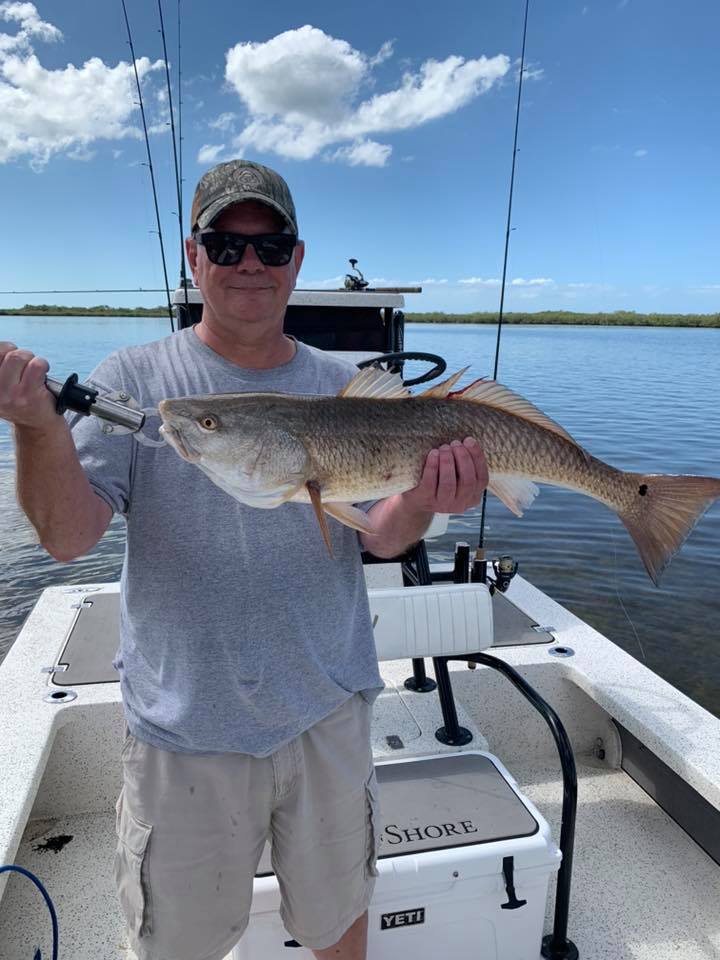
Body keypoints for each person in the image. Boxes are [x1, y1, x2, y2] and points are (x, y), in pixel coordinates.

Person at [0, 159, 489, 960]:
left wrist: (432, 499)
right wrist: (34, 428)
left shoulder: (348, 388)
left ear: (298, 259)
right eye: (226, 247)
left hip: (325, 710)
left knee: (339, 929)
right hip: (185, 727)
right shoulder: (138, 380)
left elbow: (382, 537)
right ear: (194, 258)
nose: (249, 266)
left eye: (270, 247)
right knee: (178, 947)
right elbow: (67, 537)